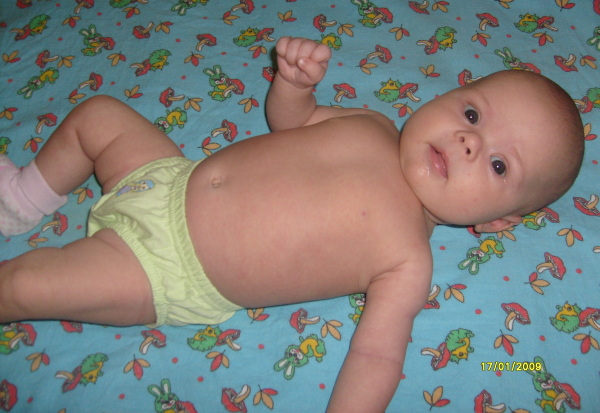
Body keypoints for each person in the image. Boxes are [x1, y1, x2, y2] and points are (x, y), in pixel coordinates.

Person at [0, 37, 584, 411]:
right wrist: (294, 85)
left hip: (165, 268)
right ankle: (23, 199)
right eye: (472, 113)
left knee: (24, 284)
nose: (469, 141)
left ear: (497, 222)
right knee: (98, 115)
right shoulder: (374, 122)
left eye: (499, 165)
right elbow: (290, 123)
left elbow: (376, 359)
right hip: (167, 178)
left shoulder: (407, 259)